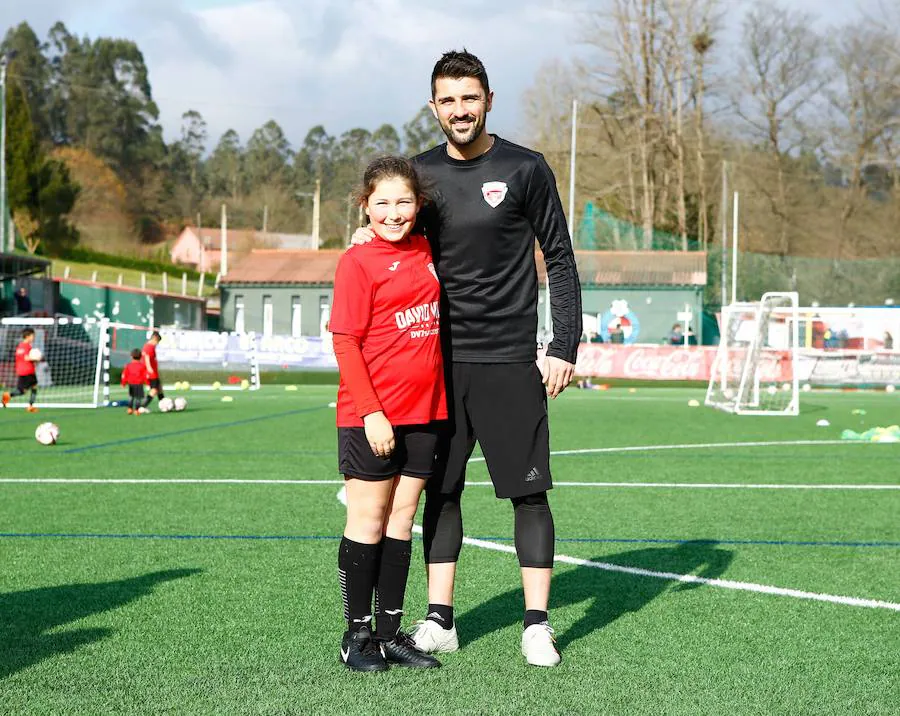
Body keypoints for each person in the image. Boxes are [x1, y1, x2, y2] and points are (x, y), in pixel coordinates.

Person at [352, 50, 582, 667]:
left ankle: (536, 625)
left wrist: (562, 345)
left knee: (529, 496)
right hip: (436, 365)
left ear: (488, 100)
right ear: (434, 107)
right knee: (440, 493)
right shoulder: (419, 178)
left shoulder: (526, 168)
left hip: (511, 361)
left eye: (469, 98)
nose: (460, 110)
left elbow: (559, 258)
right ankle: (440, 620)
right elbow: (390, 229)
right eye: (448, 100)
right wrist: (362, 236)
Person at [331, 156, 445, 672]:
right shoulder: (357, 261)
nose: (394, 213)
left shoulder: (427, 246)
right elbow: (346, 341)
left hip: (426, 411)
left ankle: (390, 633)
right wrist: (372, 412)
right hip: (371, 415)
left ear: (418, 204)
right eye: (383, 203)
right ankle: (356, 637)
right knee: (368, 519)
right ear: (365, 206)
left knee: (403, 519)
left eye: (404, 202)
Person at [2, 328, 41, 412]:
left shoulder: (20, 346)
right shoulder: (26, 346)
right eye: (32, 336)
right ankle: (9, 395)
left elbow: (21, 357)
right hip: (28, 371)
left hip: (22, 370)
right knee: (23, 391)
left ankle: (30, 405)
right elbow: (27, 358)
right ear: (27, 336)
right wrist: (37, 358)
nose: (33, 338)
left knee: (34, 386)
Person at [121, 349, 149, 415]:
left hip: (131, 384)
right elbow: (145, 375)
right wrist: (148, 383)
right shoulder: (142, 366)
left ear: (131, 356)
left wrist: (123, 383)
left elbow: (124, 375)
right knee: (138, 398)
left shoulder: (128, 365)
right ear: (141, 356)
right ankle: (136, 410)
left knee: (131, 396)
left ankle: (129, 409)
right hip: (139, 384)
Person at [141, 332, 164, 411]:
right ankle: (142, 406)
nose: (157, 344)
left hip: (153, 371)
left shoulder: (147, 346)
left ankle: (163, 405)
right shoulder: (149, 347)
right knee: (154, 390)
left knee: (159, 388)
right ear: (154, 339)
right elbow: (147, 357)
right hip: (151, 373)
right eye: (157, 342)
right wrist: (149, 368)